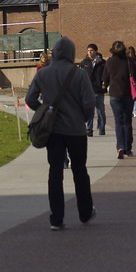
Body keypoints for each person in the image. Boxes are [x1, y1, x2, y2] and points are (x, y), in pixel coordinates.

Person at [25, 36, 96, 231]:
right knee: (80, 171)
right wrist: (82, 117)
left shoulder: (43, 74)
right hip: (76, 130)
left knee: (55, 173)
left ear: (54, 53)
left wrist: (44, 110)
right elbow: (89, 103)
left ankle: (56, 218)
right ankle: (85, 212)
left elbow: (30, 99)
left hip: (53, 130)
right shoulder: (79, 74)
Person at [102, 40, 136, 159]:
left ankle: (120, 146)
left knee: (118, 122)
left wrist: (105, 85)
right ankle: (128, 149)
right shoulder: (129, 61)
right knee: (127, 121)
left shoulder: (109, 62)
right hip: (128, 94)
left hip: (114, 94)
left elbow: (105, 78)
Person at [79, 43, 106, 136]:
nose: (89, 53)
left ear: (96, 51)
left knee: (100, 110)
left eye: (91, 51)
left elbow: (106, 75)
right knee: (89, 110)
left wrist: (105, 84)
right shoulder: (84, 63)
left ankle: (101, 127)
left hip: (99, 90)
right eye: (88, 51)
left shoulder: (102, 63)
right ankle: (89, 129)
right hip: (88, 90)